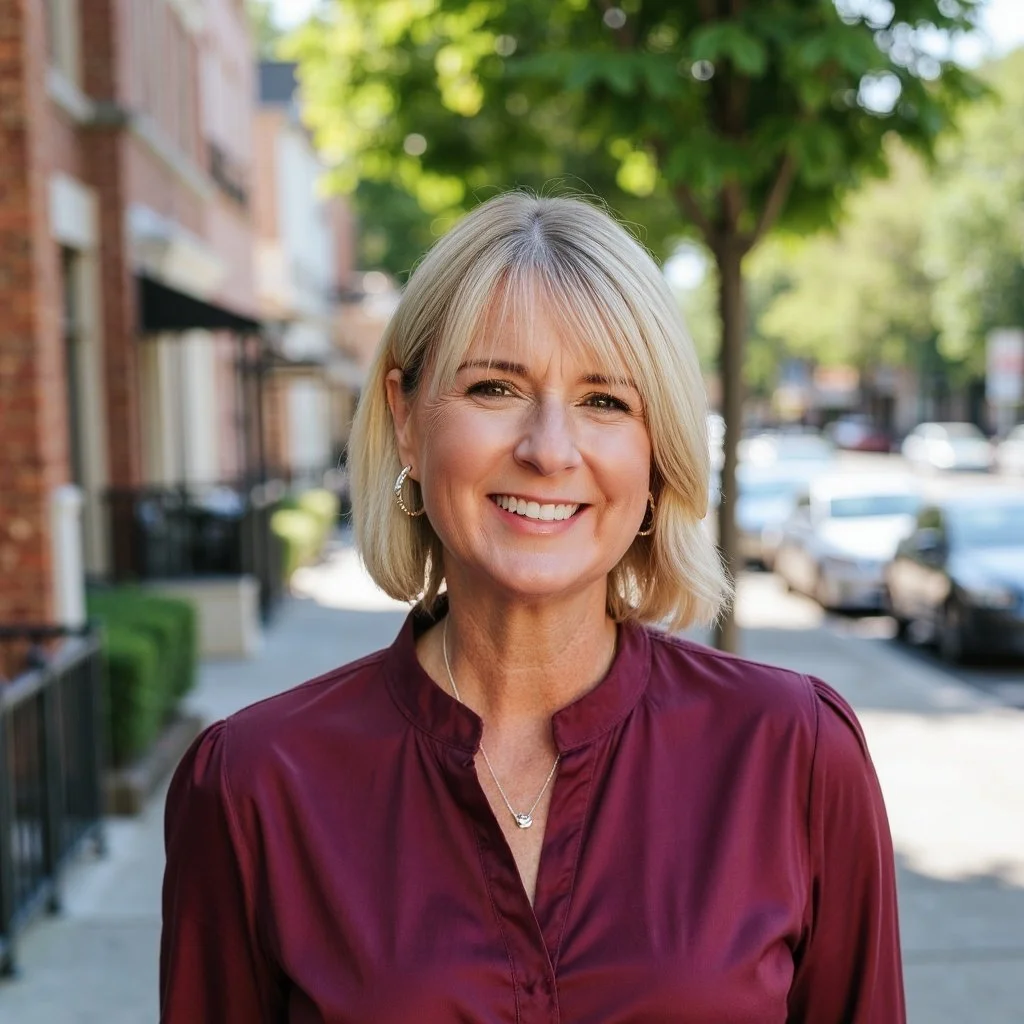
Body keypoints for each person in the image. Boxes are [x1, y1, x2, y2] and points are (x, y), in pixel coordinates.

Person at [160, 192, 905, 1022]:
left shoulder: (794, 754)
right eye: (494, 387)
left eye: (605, 401)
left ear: (657, 452)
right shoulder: (255, 783)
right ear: (406, 420)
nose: (549, 450)